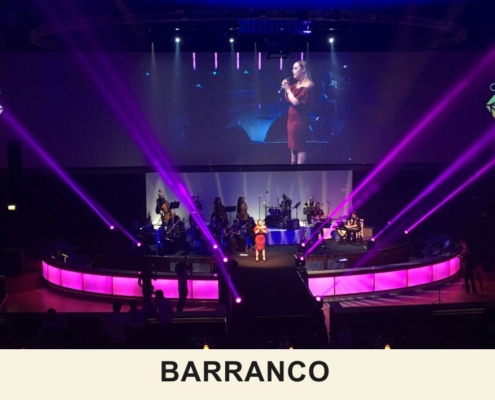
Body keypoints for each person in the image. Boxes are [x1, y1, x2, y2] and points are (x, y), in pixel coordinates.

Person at [281, 60, 315, 165]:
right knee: (293, 145)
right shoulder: (296, 84)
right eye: (293, 69)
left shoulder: (308, 85)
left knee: (300, 146)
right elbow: (288, 98)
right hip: (291, 120)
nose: (293, 71)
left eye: (295, 68)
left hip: (300, 120)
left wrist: (288, 90)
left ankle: (300, 168)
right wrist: (286, 87)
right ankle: (293, 164)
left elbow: (296, 102)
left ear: (303, 69)